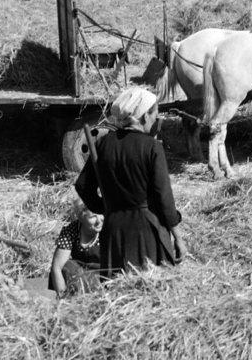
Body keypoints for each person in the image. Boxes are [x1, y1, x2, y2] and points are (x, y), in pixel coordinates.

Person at [73, 87, 182, 277]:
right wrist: (178, 237)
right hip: (146, 231)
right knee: (149, 290)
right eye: (154, 115)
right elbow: (164, 198)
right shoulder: (152, 147)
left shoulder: (103, 144)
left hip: (115, 229)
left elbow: (82, 185)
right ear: (144, 116)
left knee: (118, 291)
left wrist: (107, 208)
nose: (156, 119)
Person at [49, 205, 99, 294]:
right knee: (68, 266)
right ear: (82, 218)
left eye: (102, 214)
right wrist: (63, 298)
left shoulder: (110, 229)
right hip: (79, 277)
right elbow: (57, 267)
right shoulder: (71, 230)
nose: (99, 221)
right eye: (93, 217)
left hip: (102, 277)